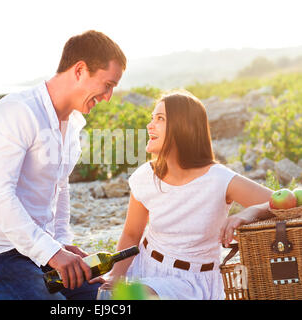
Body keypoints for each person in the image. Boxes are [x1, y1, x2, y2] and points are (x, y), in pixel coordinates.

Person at [0, 30, 126, 300]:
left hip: (39, 255)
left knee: (110, 299)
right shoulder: (16, 112)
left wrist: (61, 245)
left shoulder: (72, 126)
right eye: (107, 84)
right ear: (80, 70)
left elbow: (60, 188)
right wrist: (54, 253)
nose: (108, 96)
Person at [104, 90, 274, 300]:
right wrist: (115, 276)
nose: (150, 125)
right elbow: (131, 234)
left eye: (160, 119)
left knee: (130, 299)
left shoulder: (218, 179)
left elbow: (288, 202)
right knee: (104, 296)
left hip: (191, 283)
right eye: (152, 118)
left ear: (183, 127)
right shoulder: (145, 176)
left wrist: (249, 214)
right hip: (145, 268)